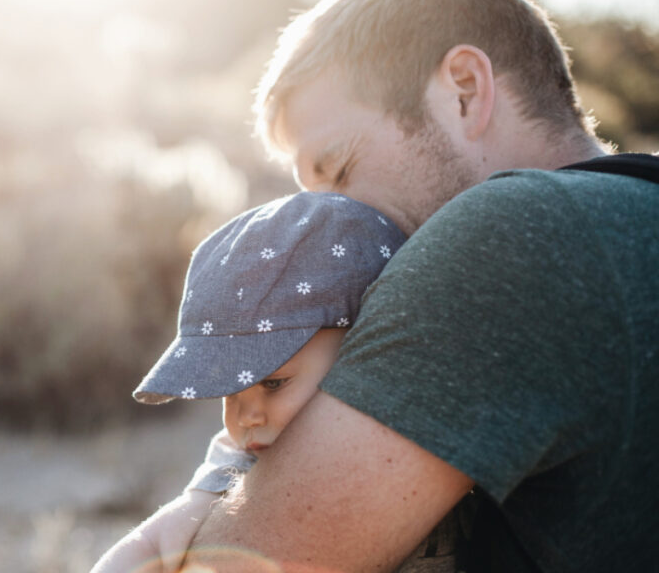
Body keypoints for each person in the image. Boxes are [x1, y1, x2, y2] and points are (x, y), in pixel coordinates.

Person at [177, 0, 659, 572]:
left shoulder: (506, 234)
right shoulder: (632, 214)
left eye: (340, 169)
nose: (330, 221)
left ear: (463, 89)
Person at [92, 191, 474, 573]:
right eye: (229, 393)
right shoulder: (241, 459)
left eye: (273, 383)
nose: (247, 417)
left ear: (363, 345)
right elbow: (154, 540)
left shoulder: (435, 412)